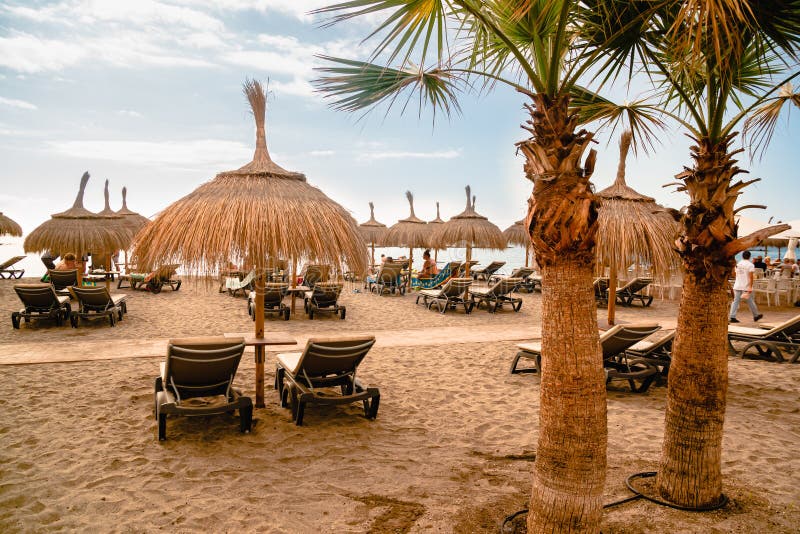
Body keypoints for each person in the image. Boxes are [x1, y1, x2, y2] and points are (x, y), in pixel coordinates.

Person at [729, 250, 762, 323]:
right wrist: (750, 286)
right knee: (750, 301)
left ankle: (732, 316)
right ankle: (756, 315)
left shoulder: (738, 264)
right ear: (749, 256)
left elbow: (734, 274)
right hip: (745, 286)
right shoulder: (750, 265)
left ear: (742, 256)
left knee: (735, 301)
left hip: (738, 285)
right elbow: (751, 277)